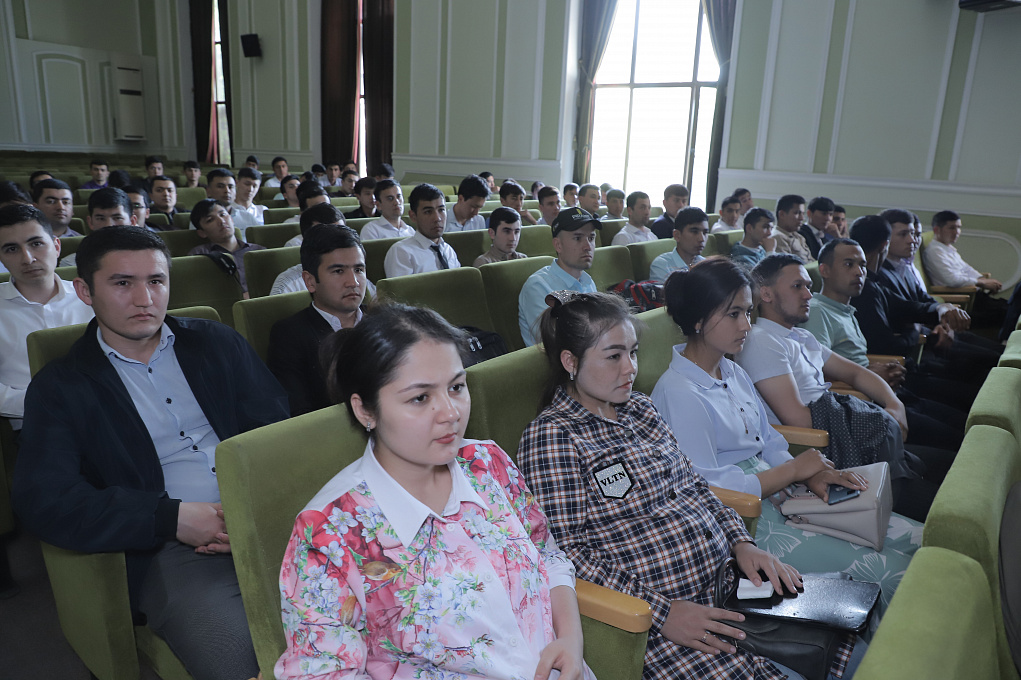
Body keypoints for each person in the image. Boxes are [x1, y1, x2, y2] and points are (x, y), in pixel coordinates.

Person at [518, 291, 859, 680]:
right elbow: (567, 555)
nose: (630, 368)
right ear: (570, 362)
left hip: (729, 584)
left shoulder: (641, 409)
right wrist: (663, 613)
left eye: (633, 352)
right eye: (613, 356)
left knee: (850, 639)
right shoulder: (553, 438)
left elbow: (695, 488)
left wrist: (742, 544)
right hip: (665, 622)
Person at [13, 226, 288, 680]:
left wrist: (260, 509)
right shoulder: (61, 386)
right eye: (122, 283)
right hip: (173, 548)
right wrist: (170, 518)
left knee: (381, 613)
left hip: (270, 518)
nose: (144, 298)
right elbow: (46, 500)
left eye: (156, 281)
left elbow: (277, 431)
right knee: (242, 660)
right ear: (84, 291)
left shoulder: (217, 342)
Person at [275, 303, 594, 680]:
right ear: (365, 411)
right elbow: (322, 672)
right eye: (420, 398)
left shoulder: (486, 462)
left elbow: (547, 555)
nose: (451, 413)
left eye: (456, 387)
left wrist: (570, 638)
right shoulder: (327, 532)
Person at [651, 258, 920, 617]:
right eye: (733, 314)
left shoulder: (731, 370)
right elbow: (707, 488)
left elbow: (769, 440)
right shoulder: (680, 392)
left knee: (915, 541)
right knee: (895, 574)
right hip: (742, 523)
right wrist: (793, 472)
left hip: (779, 492)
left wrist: (811, 474)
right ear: (698, 320)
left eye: (748, 312)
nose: (746, 325)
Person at [736, 254, 950, 522]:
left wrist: (894, 405)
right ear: (766, 294)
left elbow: (855, 372)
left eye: (808, 287)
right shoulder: (762, 341)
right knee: (946, 503)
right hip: (819, 445)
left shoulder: (800, 336)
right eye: (797, 287)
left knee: (950, 465)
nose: (808, 295)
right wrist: (862, 417)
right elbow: (798, 420)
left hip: (843, 432)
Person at [801, 237, 970, 448]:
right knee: (960, 441)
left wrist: (880, 369)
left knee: (966, 423)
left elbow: (851, 359)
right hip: (865, 404)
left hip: (882, 392)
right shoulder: (818, 312)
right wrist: (869, 374)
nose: (859, 272)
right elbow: (812, 374)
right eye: (848, 264)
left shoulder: (845, 309)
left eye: (862, 265)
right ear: (824, 270)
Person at [847, 215, 1000, 389]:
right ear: (885, 245)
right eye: (903, 234)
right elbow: (888, 347)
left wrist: (942, 309)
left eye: (914, 234)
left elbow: (912, 306)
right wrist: (917, 329)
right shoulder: (864, 288)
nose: (912, 240)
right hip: (898, 369)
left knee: (991, 364)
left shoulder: (875, 281)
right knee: (980, 379)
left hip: (910, 355)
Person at [0, 204, 94, 430]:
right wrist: (45, 402)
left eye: (36, 244)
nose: (27, 258)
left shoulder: (92, 298)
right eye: (12, 249)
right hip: (36, 424)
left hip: (103, 412)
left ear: (56, 246)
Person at [267, 225, 367, 416]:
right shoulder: (289, 335)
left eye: (358, 269)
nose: (353, 282)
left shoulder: (383, 321)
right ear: (310, 281)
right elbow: (299, 412)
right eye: (338, 271)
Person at [923, 209, 1020, 339]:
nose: (957, 232)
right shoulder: (935, 251)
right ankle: (1005, 341)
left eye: (959, 227)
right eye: (952, 228)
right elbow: (951, 280)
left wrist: (983, 279)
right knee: (1010, 311)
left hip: (975, 296)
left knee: (1011, 306)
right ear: (937, 230)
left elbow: (967, 270)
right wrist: (981, 283)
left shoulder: (947, 248)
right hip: (963, 302)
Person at [518, 208, 598, 346]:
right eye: (578, 238)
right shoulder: (538, 287)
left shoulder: (587, 282)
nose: (588, 246)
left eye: (591, 238)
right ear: (558, 245)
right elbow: (556, 343)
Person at [187, 198, 266, 296]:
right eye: (210, 220)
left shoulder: (258, 251)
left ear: (231, 219)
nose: (221, 221)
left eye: (223, 214)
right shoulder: (198, 255)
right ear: (202, 232)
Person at [383, 183, 460, 278]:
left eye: (441, 210)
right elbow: (400, 288)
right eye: (428, 212)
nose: (437, 218)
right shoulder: (401, 252)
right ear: (413, 216)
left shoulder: (448, 250)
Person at [60, 187, 138, 266]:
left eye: (117, 218)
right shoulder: (72, 264)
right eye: (101, 219)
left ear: (132, 221)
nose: (109, 225)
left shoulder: (144, 259)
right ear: (90, 222)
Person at [649, 207, 709, 281]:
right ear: (677, 235)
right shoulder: (662, 265)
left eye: (705, 233)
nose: (702, 239)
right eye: (694, 232)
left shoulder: (705, 264)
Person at [771, 194, 814, 262]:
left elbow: (811, 261)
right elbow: (788, 266)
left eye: (803, 214)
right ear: (782, 214)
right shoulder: (777, 237)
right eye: (797, 213)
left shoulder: (799, 237)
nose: (802, 218)